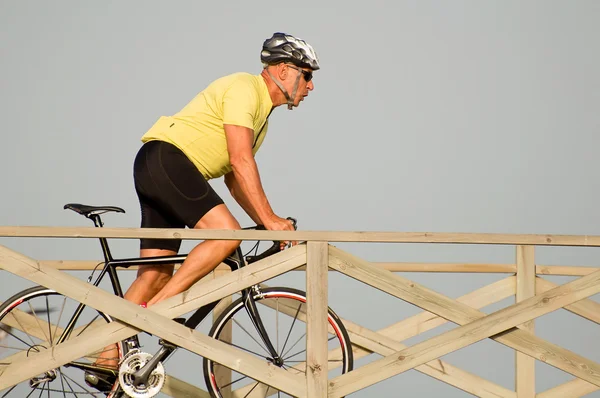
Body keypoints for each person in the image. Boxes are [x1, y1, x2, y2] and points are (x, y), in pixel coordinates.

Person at [85, 32, 320, 391]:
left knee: (153, 274)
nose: (311, 85)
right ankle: (160, 311)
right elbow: (241, 161)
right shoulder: (245, 89)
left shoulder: (263, 120)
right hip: (169, 162)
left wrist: (265, 221)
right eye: (307, 74)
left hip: (161, 167)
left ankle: (106, 355)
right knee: (225, 232)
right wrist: (270, 220)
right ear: (285, 70)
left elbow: (234, 180)